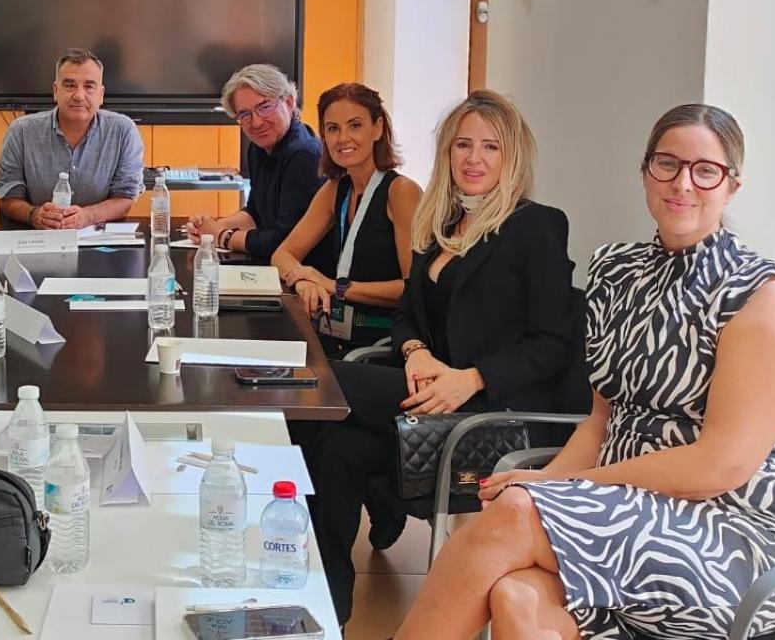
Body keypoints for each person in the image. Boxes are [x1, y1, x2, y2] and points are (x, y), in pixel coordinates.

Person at [396, 104, 775, 640]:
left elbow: (720, 467)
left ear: (731, 186)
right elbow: (600, 422)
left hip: (732, 534)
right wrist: (552, 480)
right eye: (666, 164)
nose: (683, 183)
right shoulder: (618, 270)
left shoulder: (760, 294)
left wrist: (563, 486)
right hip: (616, 507)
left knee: (516, 513)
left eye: (705, 170)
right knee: (516, 595)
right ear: (645, 171)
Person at [307, 90, 574, 625]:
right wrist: (414, 350)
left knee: (319, 385)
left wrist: (470, 379)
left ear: (512, 156)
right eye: (462, 145)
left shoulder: (537, 227)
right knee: (331, 445)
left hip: (494, 417)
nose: (473, 159)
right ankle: (327, 610)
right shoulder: (441, 224)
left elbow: (553, 344)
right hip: (430, 398)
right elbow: (408, 312)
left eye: (490, 147)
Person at [269, 82, 421, 359]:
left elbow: (413, 289)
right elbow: (282, 254)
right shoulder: (335, 189)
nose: (343, 138)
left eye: (355, 126)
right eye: (333, 128)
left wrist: (335, 286)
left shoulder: (401, 191)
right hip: (333, 336)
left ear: (377, 128)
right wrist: (303, 280)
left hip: (382, 346)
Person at [185, 64, 333, 275]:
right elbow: (256, 212)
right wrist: (211, 226)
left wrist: (222, 236)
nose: (256, 122)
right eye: (244, 114)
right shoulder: (258, 148)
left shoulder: (304, 154)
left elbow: (284, 242)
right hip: (273, 268)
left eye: (264, 107)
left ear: (289, 102)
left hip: (308, 278)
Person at [0, 48, 145, 229]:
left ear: (101, 94)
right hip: (39, 239)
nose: (79, 96)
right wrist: (34, 215)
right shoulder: (21, 132)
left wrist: (87, 217)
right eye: (70, 85)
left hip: (100, 242)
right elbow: (8, 197)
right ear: (56, 90)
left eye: (89, 86)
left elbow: (125, 198)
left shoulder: (123, 131)